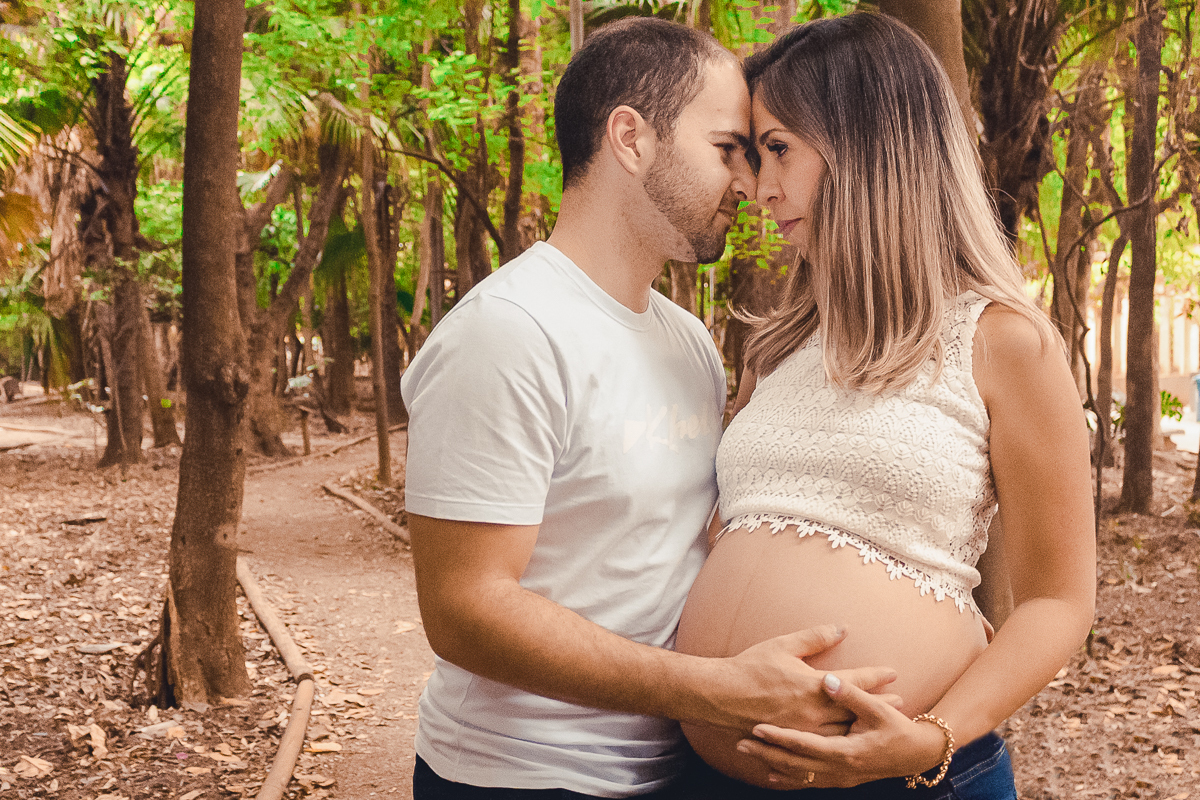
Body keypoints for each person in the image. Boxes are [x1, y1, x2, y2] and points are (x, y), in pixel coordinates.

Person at [401, 17, 897, 800]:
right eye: (728, 148)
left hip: (675, 769)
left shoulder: (688, 341)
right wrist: (715, 688)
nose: (749, 181)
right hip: (523, 778)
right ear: (631, 138)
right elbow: (465, 610)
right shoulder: (507, 334)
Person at [674, 12, 1096, 797]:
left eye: (778, 150)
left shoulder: (1006, 342)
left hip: (911, 783)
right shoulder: (784, 344)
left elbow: (1059, 600)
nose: (759, 189)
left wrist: (930, 738)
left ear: (868, 142)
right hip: (710, 779)